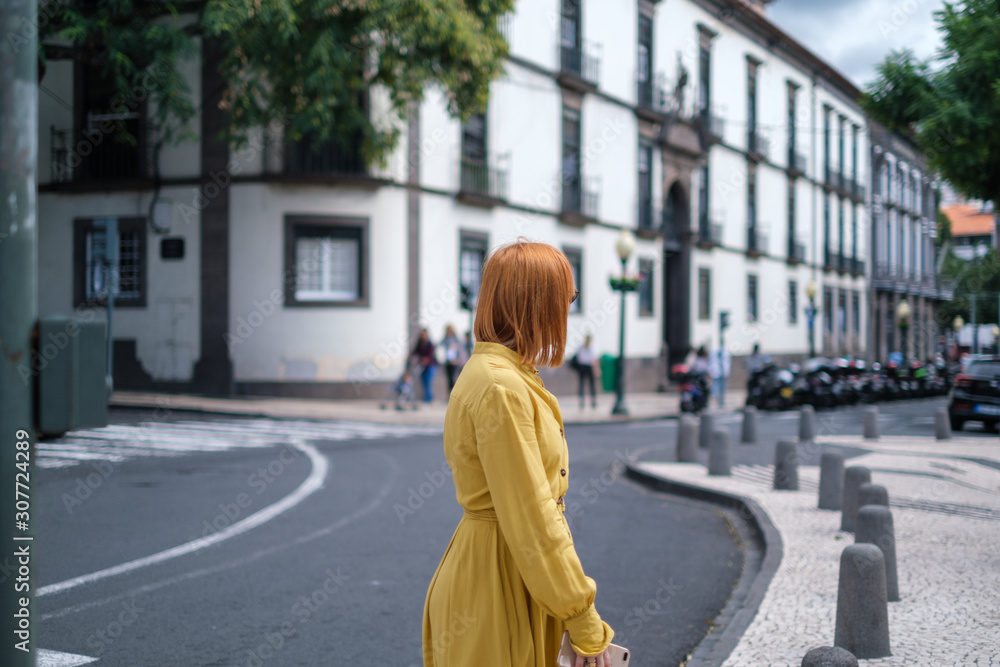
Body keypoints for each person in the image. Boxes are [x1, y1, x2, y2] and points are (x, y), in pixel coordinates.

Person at [423, 242, 615, 667]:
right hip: (502, 579)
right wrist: (583, 620)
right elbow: (533, 518)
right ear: (537, 304)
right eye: (564, 300)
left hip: (508, 571)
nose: (567, 311)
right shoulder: (502, 387)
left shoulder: (501, 375)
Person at [411, 328, 438, 403]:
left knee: (428, 383)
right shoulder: (419, 344)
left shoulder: (430, 344)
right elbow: (415, 352)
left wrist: (426, 360)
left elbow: (431, 355)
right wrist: (410, 357)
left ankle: (428, 399)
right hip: (422, 366)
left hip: (430, 366)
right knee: (424, 383)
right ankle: (430, 398)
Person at [574, 334, 600, 409]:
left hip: (584, 366)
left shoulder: (584, 347)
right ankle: (589, 401)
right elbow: (594, 358)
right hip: (588, 366)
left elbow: (580, 358)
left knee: (587, 385)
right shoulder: (591, 347)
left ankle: (589, 401)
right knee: (589, 385)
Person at [440, 324, 465, 397]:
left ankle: (455, 394)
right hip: (447, 362)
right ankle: (450, 394)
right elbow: (440, 348)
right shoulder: (445, 339)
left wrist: (458, 359)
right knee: (449, 379)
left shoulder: (456, 339)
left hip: (455, 362)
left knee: (454, 378)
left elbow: (460, 350)